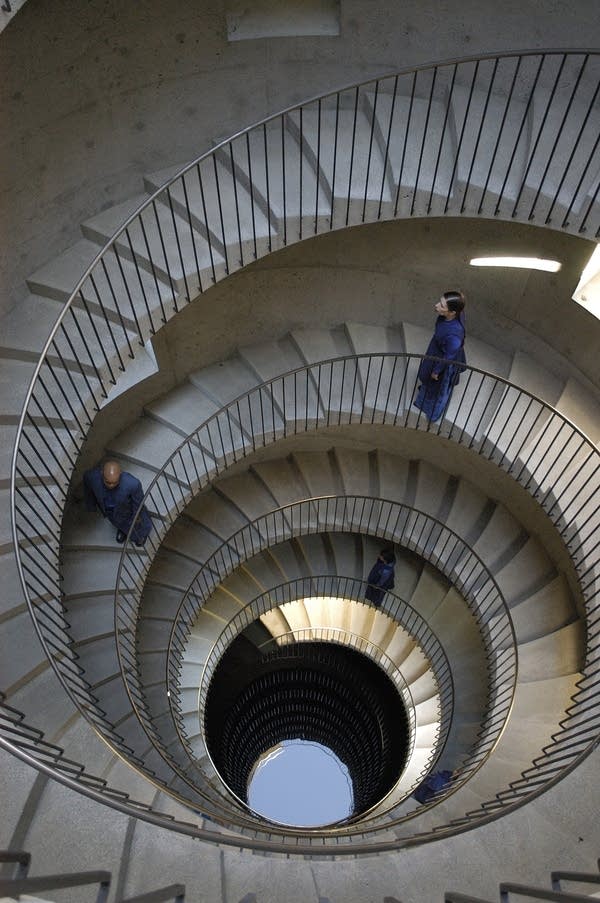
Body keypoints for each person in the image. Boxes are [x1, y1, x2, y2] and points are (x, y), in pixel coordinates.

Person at [413, 290, 467, 423]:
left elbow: (448, 357)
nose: (436, 305)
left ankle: (432, 410)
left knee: (437, 388)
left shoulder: (454, 336)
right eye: (440, 302)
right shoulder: (452, 316)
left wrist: (436, 371)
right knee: (428, 379)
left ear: (452, 312)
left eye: (442, 306)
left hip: (442, 359)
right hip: (437, 351)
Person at [83, 459, 152, 546]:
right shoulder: (91, 477)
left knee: (137, 526)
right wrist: (91, 505)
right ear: (102, 474)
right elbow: (88, 489)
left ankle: (140, 536)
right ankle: (123, 530)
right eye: (108, 482)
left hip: (127, 511)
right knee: (117, 522)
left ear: (120, 475)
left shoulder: (133, 484)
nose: (111, 486)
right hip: (110, 511)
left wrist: (135, 518)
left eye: (115, 483)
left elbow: (138, 504)